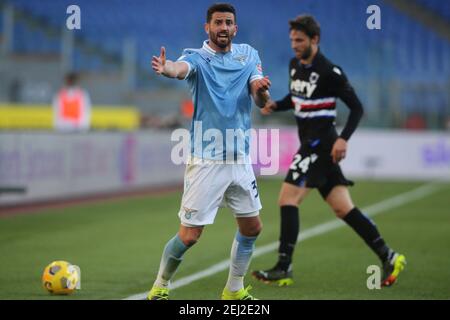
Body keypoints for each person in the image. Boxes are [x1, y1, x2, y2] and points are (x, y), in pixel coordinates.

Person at [252, 15, 406, 287]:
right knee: (343, 208)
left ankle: (283, 266)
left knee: (288, 198)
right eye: (292, 40)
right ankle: (389, 255)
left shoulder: (330, 72)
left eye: (300, 40)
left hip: (321, 145)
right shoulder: (294, 65)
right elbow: (298, 98)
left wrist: (343, 139)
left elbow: (357, 108)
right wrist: (276, 105)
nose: (295, 45)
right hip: (310, 144)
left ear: (315, 40)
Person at [147, 3, 271, 300]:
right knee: (190, 235)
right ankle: (160, 286)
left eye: (228, 22)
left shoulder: (249, 55)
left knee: (252, 227)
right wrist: (167, 69)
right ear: (208, 27)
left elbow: (258, 94)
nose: (223, 27)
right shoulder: (197, 58)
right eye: (218, 22)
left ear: (235, 28)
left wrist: (264, 90)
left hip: (240, 160)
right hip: (206, 161)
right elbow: (180, 69)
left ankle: (234, 289)